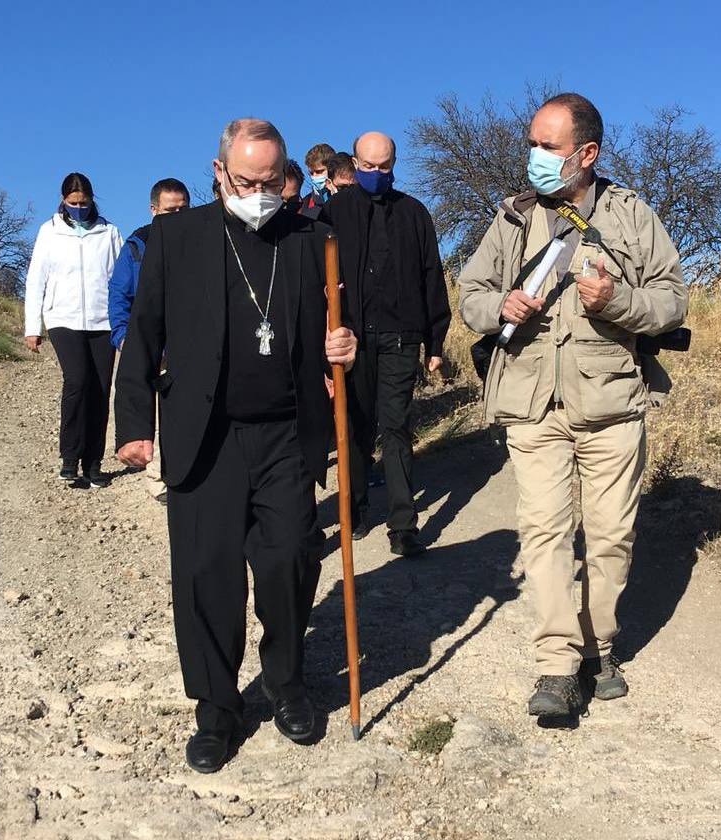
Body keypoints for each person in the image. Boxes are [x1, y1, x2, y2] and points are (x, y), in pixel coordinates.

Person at [114, 117, 358, 774]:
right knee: (207, 577)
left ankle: (285, 683)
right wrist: (133, 421)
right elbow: (144, 333)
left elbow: (340, 323)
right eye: (246, 180)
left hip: (285, 433)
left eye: (272, 181)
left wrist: (345, 347)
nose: (260, 193)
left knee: (289, 563)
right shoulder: (176, 237)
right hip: (207, 434)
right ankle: (217, 708)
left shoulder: (313, 240)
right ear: (219, 172)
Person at [458, 93, 687, 718]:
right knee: (544, 533)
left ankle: (597, 645)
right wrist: (498, 306)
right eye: (531, 143)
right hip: (532, 404)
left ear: (586, 154)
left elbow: (671, 302)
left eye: (548, 147)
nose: (534, 156)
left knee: (611, 535)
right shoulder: (512, 218)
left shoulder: (632, 216)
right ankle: (557, 665)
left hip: (611, 402)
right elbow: (470, 294)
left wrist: (615, 299)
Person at [322, 131, 450, 556]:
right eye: (368, 166)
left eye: (384, 166)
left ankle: (403, 524)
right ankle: (356, 510)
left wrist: (436, 339)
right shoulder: (333, 213)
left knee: (396, 427)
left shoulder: (414, 213)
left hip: (401, 337)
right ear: (354, 164)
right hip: (352, 340)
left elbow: (433, 274)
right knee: (355, 426)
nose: (376, 174)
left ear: (394, 164)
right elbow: (316, 278)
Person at [24, 172, 123, 488]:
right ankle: (69, 457)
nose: (79, 207)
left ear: (93, 200)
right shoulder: (49, 232)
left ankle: (94, 462)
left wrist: (125, 321)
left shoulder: (109, 232)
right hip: (62, 319)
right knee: (78, 381)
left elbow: (121, 281)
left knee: (101, 389)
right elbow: (36, 280)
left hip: (102, 321)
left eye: (84, 202)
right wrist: (32, 326)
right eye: (73, 203)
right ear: (63, 201)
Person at [107, 177, 190, 502]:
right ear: (153, 210)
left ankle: (181, 470)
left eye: (184, 209)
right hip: (147, 345)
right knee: (150, 414)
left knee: (182, 412)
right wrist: (124, 338)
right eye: (170, 210)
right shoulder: (136, 247)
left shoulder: (197, 242)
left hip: (185, 344)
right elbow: (118, 295)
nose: (178, 216)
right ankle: (158, 480)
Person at [300, 143, 335, 219]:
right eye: (311, 173)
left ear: (332, 169)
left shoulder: (347, 199)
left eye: (319, 171)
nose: (314, 177)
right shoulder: (305, 204)